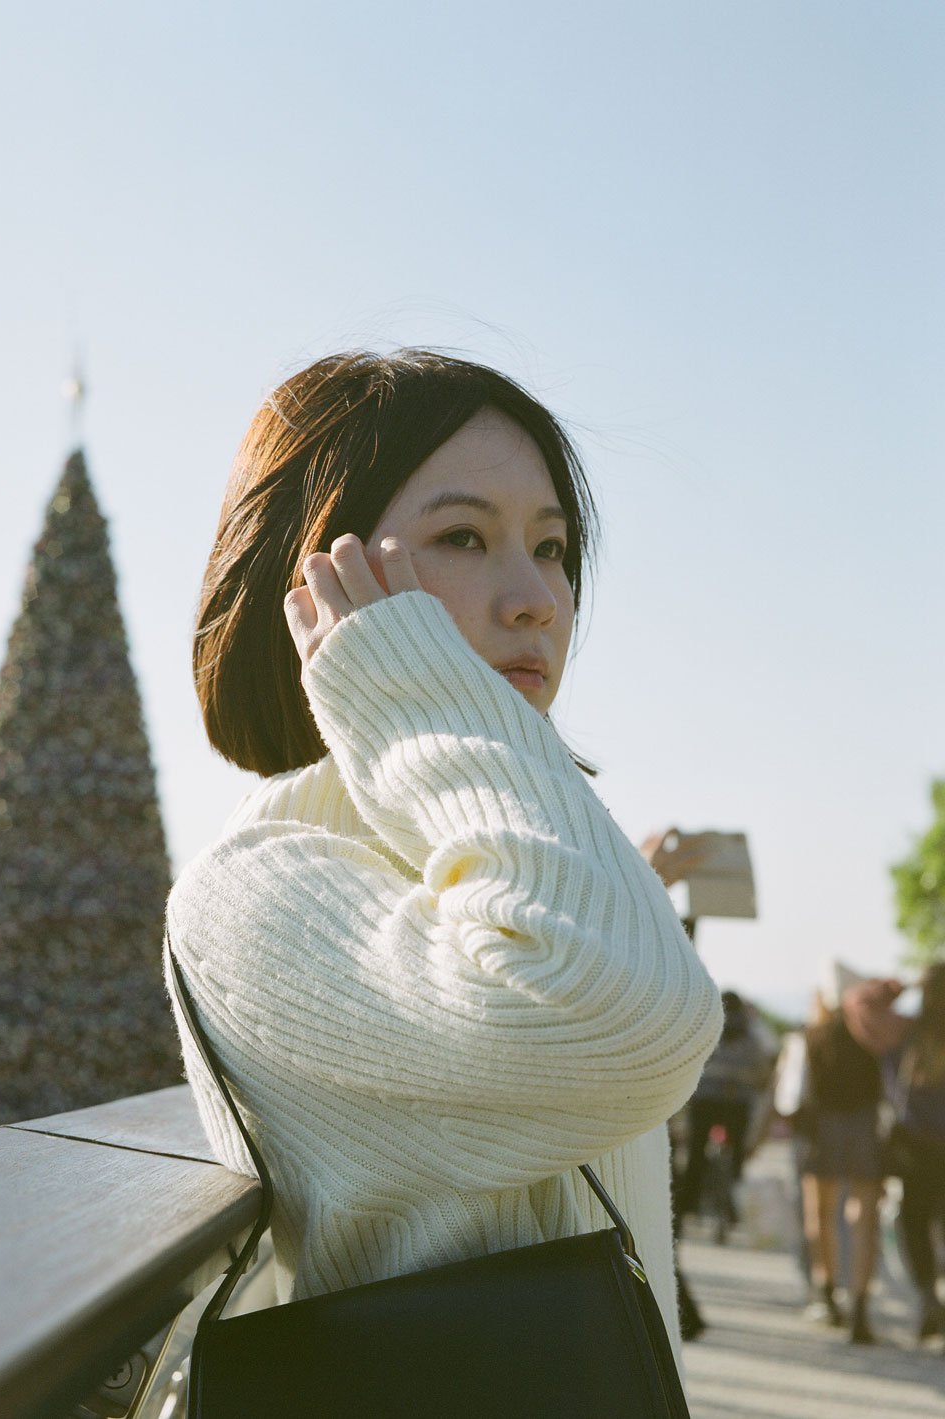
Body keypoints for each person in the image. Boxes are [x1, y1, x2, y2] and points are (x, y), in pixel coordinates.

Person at [165, 349, 724, 1365]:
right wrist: (405, 686)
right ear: (316, 585)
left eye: (552, 548)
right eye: (464, 536)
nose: (538, 600)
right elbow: (629, 1018)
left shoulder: (510, 853)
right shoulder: (253, 887)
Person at [843, 968, 945, 1340]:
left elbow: (856, 1003)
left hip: (914, 1146)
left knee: (915, 1224)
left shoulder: (902, 1030)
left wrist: (898, 984)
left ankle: (929, 1296)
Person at [797, 995, 885, 1343]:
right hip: (866, 1127)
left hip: (822, 1128)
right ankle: (860, 1307)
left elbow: (794, 1093)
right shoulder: (875, 1036)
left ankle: (828, 1292)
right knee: (863, 1219)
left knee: (820, 1214)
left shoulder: (811, 1037)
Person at [677, 990, 776, 1225]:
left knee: (696, 1154)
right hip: (737, 1103)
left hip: (705, 1101)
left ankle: (687, 1206)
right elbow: (763, 1070)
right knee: (736, 1154)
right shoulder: (751, 1034)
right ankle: (732, 1208)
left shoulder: (705, 1029)